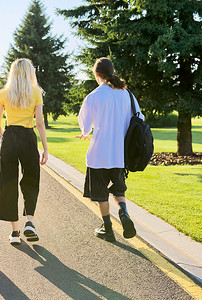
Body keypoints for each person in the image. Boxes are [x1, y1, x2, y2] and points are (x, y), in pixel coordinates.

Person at [76, 57, 143, 242]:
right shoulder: (127, 94)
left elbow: (85, 125)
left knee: (100, 193)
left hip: (99, 154)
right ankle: (124, 213)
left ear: (97, 75)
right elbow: (139, 118)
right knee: (118, 190)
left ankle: (107, 228)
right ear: (111, 72)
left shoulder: (94, 96)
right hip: (120, 155)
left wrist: (85, 132)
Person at [0, 58, 48, 245]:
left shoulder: (4, 93)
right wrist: (45, 149)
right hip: (27, 136)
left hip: (9, 135)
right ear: (30, 73)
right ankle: (30, 223)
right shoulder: (36, 93)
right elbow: (39, 123)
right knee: (31, 179)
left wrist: (6, 136)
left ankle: (15, 233)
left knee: (8, 182)